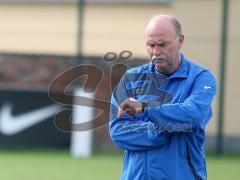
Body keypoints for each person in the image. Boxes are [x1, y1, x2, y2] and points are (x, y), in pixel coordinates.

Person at [109, 14, 217, 180]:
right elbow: (117, 132)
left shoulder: (201, 78)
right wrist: (161, 130)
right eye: (150, 45)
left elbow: (193, 116)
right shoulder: (131, 78)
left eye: (163, 44)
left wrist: (144, 108)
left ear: (180, 40)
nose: (156, 52)